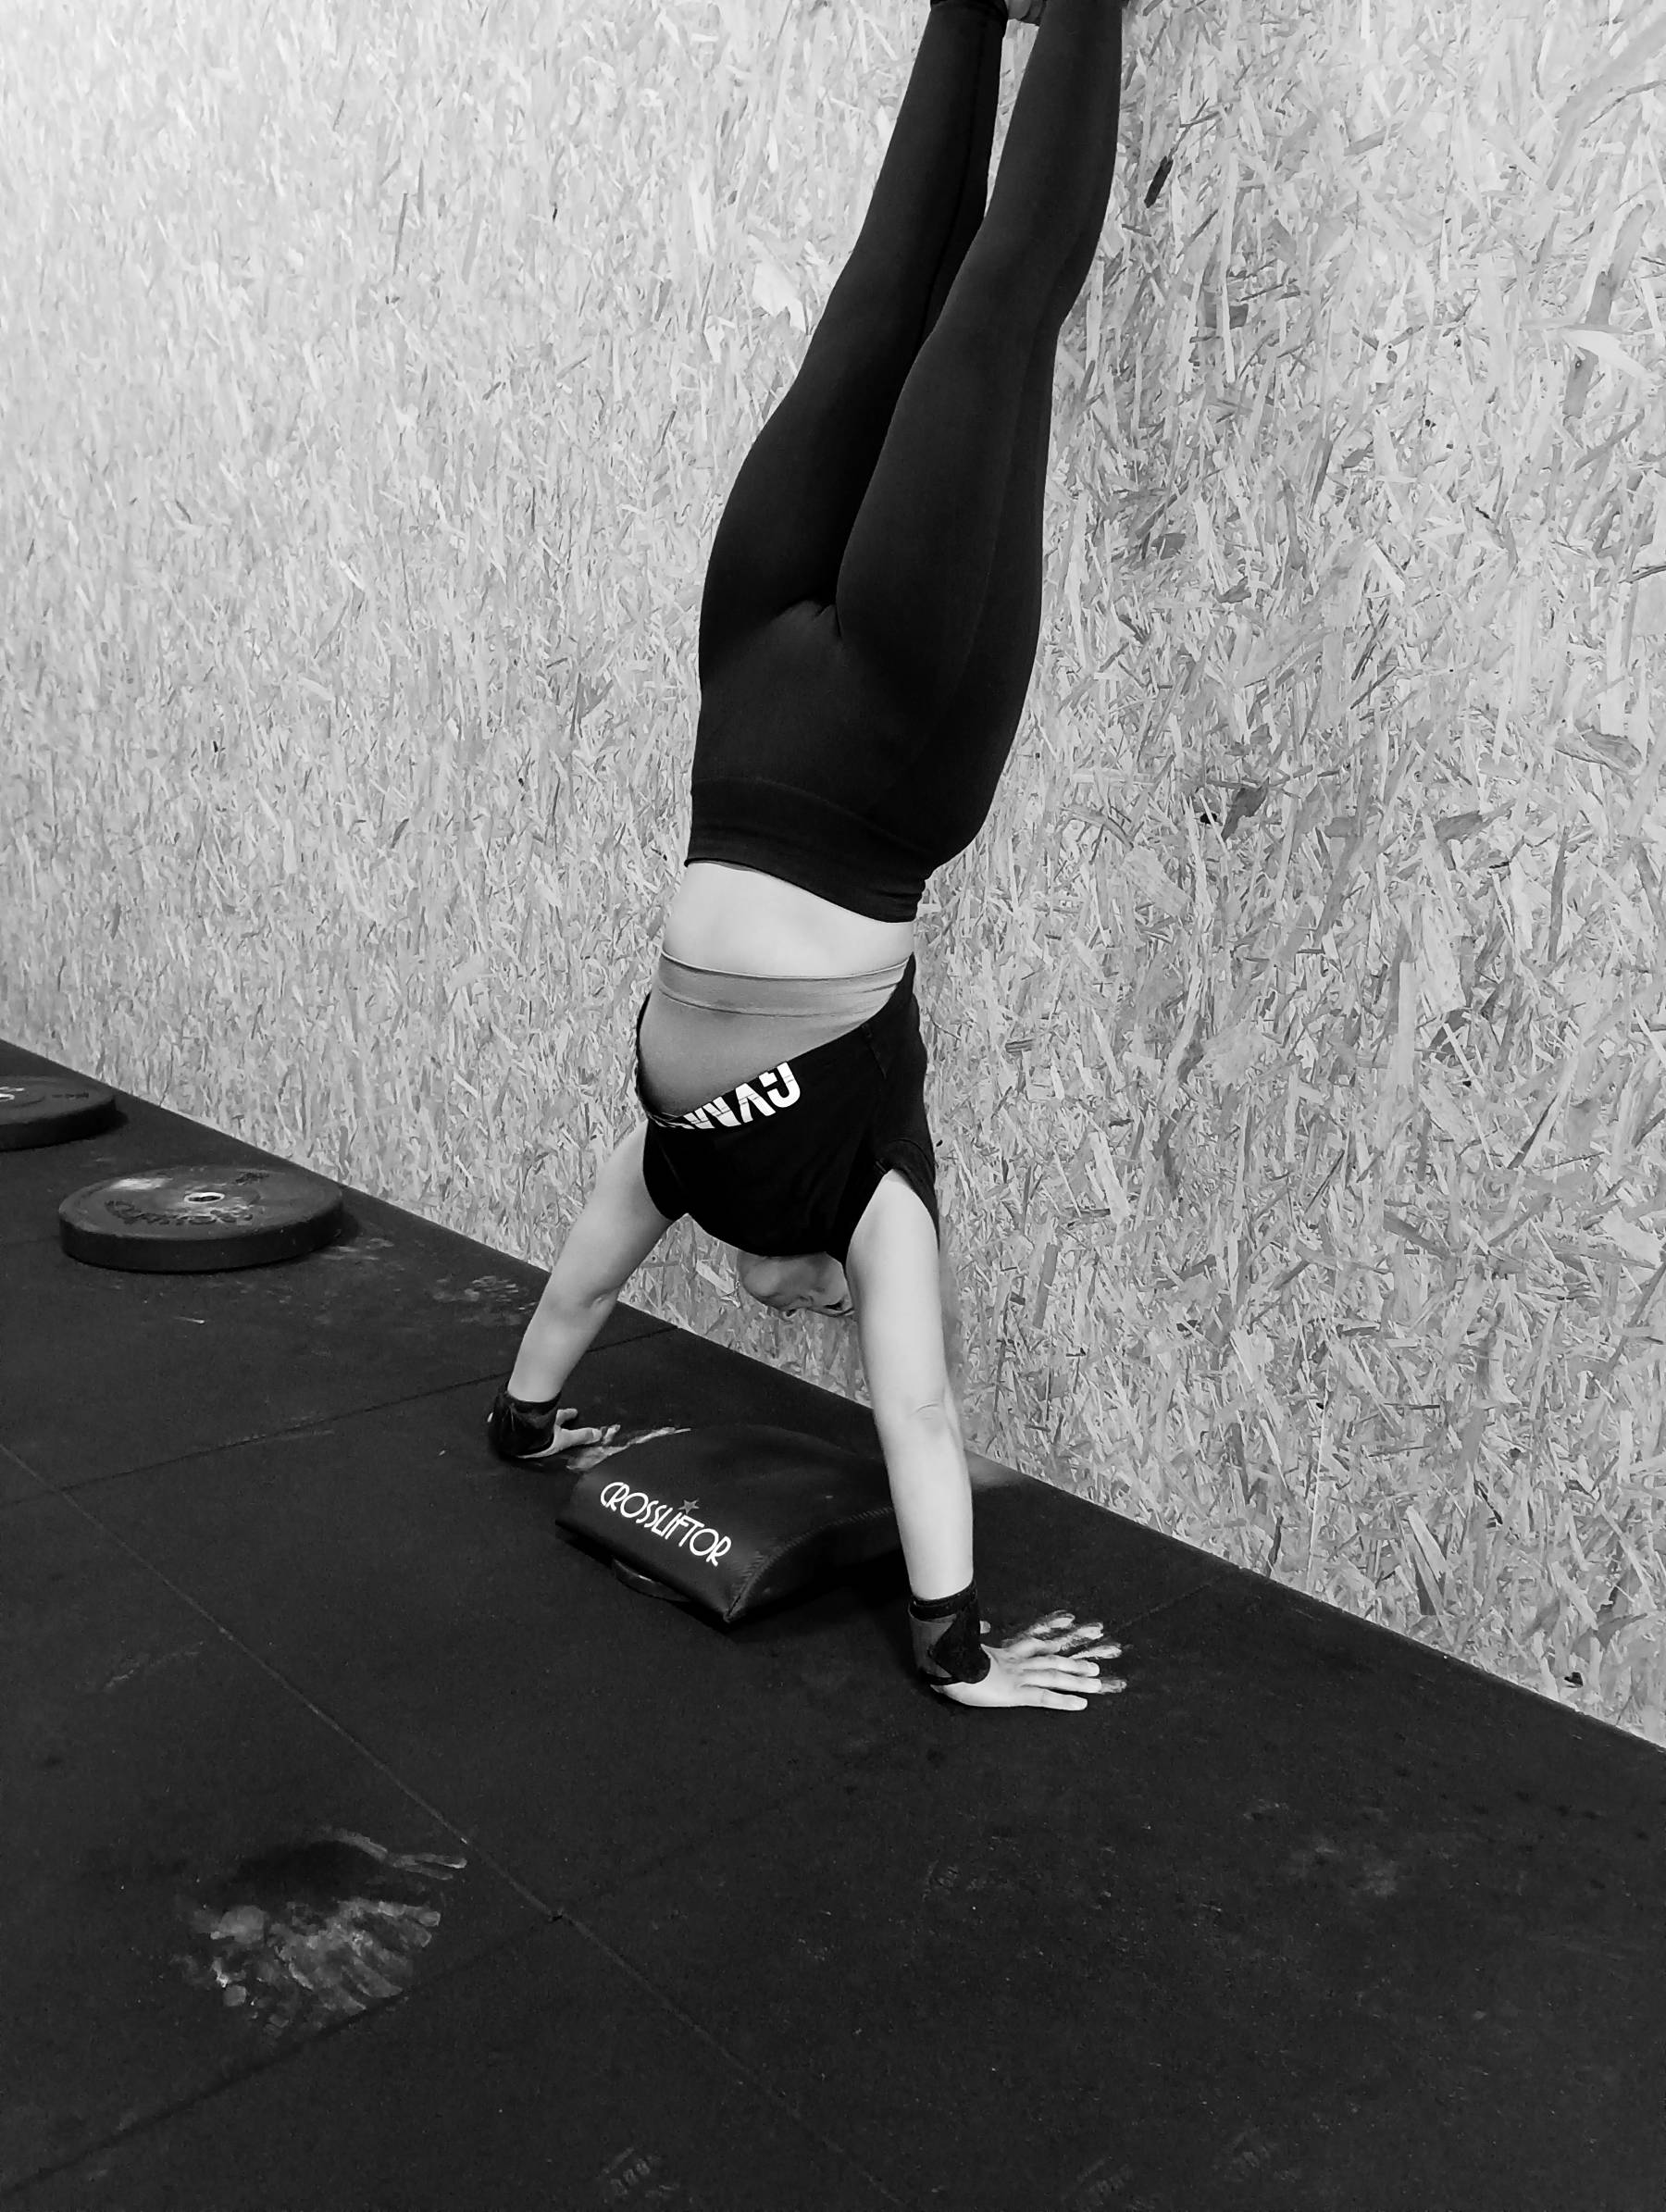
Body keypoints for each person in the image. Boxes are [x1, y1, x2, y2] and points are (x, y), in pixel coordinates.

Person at [491, 0, 1135, 1711]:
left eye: (806, 1313)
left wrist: (956, 1647)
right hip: (752, 695)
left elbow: (912, 1406)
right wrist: (525, 1416)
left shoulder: (853, 1200)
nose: (809, 1314)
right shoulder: (676, 1159)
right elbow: (572, 1299)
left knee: (979, 314)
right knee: (900, 305)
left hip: (866, 740)